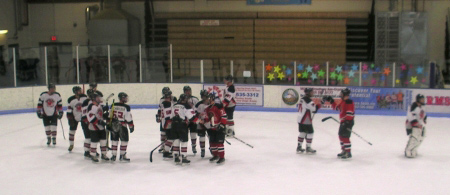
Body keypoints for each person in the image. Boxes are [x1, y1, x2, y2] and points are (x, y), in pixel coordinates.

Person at [322, 88, 355, 159]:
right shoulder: (343, 102)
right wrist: (331, 101)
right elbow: (337, 108)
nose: (341, 95)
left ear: (345, 95)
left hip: (348, 122)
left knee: (345, 137)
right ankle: (344, 150)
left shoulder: (349, 102)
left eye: (342, 94)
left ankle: (348, 152)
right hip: (343, 122)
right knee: (340, 136)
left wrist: (347, 122)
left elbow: (350, 114)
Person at [202, 93, 228, 164]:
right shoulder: (207, 108)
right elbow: (207, 118)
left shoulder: (219, 106)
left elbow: (224, 116)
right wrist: (205, 124)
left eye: (209, 99)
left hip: (219, 128)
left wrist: (222, 125)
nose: (208, 100)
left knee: (219, 143)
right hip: (212, 128)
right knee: (212, 143)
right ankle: (215, 155)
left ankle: (222, 157)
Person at [108, 92, 134, 162]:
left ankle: (113, 155)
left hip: (113, 125)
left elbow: (109, 116)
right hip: (122, 126)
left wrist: (108, 124)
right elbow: (128, 118)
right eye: (125, 97)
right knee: (124, 141)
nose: (126, 99)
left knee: (114, 140)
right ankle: (122, 156)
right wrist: (131, 126)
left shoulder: (113, 105)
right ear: (122, 98)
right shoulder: (126, 107)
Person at [171, 94, 196, 165]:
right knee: (184, 141)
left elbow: (171, 116)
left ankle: (176, 157)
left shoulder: (174, 105)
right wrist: (198, 120)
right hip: (182, 125)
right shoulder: (187, 106)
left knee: (176, 140)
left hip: (174, 125)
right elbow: (191, 117)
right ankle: (184, 157)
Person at [87, 91, 110, 162]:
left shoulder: (99, 105)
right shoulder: (91, 106)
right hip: (94, 127)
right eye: (98, 97)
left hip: (101, 126)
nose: (100, 98)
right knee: (94, 141)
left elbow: (100, 114)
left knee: (103, 141)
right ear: (94, 98)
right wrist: (99, 122)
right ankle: (93, 155)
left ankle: (103, 154)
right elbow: (90, 117)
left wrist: (105, 115)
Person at [297, 88, 321, 154]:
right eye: (311, 92)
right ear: (308, 93)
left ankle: (299, 147)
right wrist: (321, 103)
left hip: (300, 119)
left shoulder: (302, 99)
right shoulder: (307, 100)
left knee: (303, 132)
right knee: (310, 132)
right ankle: (308, 147)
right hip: (306, 119)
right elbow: (314, 109)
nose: (313, 93)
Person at [404, 94, 427, 158]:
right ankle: (408, 150)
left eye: (423, 99)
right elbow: (410, 116)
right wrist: (415, 123)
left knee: (421, 138)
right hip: (413, 124)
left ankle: (414, 149)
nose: (423, 100)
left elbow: (423, 114)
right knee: (414, 137)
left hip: (420, 124)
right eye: (421, 99)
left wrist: (424, 119)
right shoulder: (413, 106)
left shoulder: (422, 107)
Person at [67, 86, 88, 152]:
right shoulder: (70, 99)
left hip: (84, 117)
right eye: (79, 90)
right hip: (74, 117)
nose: (81, 91)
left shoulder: (85, 97)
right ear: (75, 92)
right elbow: (69, 110)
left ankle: (88, 146)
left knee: (87, 133)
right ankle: (71, 145)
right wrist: (70, 118)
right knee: (71, 131)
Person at [156, 87, 177, 153]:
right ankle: (164, 146)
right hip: (167, 120)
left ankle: (170, 146)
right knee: (165, 133)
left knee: (169, 134)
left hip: (167, 119)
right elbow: (160, 109)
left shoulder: (174, 99)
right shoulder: (163, 101)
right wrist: (158, 116)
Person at [183, 86, 200, 154]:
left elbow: (198, 109)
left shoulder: (195, 99)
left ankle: (194, 146)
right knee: (184, 134)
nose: (188, 92)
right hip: (185, 120)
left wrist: (197, 117)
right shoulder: (182, 99)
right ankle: (184, 148)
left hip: (193, 119)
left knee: (193, 133)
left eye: (189, 91)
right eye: (186, 91)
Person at [195, 90, 210, 158]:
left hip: (209, 122)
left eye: (205, 96)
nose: (204, 97)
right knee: (202, 137)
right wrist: (198, 116)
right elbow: (194, 113)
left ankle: (212, 148)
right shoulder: (198, 104)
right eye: (202, 96)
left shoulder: (211, 103)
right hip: (201, 122)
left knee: (211, 136)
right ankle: (202, 150)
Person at [160, 91, 175, 159]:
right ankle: (166, 152)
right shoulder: (167, 104)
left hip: (165, 123)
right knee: (171, 138)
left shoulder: (164, 103)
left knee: (170, 137)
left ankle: (166, 150)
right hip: (168, 123)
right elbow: (168, 116)